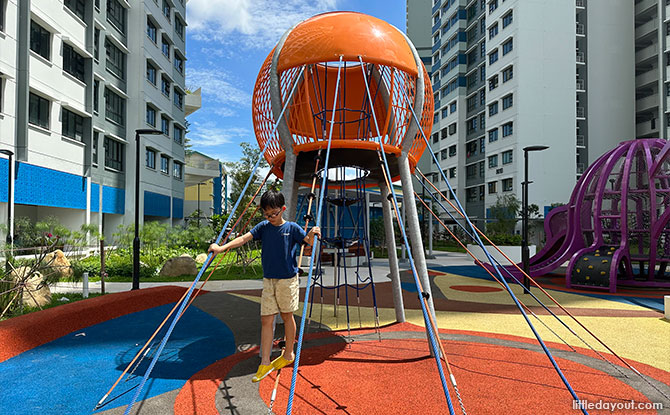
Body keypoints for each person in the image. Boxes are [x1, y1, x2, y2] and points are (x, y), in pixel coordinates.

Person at [208, 189, 320, 382]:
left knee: (287, 316)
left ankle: (288, 354)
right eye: (266, 215)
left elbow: (307, 242)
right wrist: (221, 248)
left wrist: (312, 233)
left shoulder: (292, 228)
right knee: (266, 320)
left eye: (274, 214)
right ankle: (265, 361)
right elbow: (243, 239)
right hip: (269, 281)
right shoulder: (263, 227)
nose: (270, 218)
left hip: (287, 280)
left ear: (282, 209)